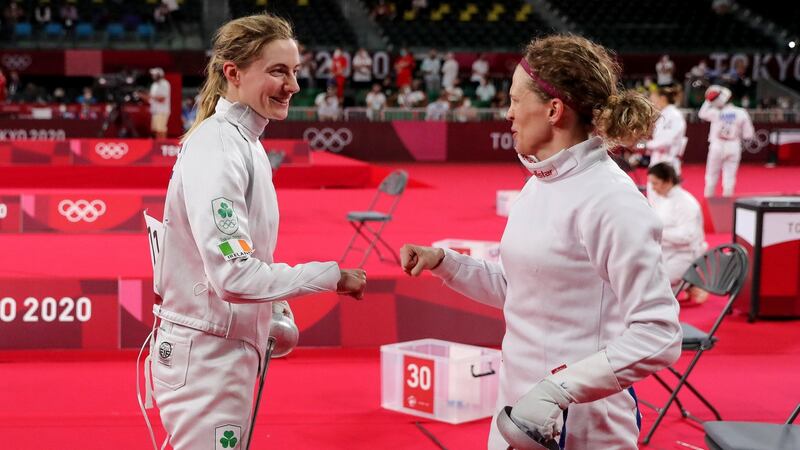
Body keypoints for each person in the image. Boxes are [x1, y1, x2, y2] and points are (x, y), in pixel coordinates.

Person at [400, 34, 681, 449]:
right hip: (516, 415)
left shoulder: (613, 201)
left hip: (584, 429)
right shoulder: (539, 184)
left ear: (553, 110)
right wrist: (446, 262)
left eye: (515, 99)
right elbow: (524, 291)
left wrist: (557, 390)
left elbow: (660, 334)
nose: (507, 112)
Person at [141, 14, 367, 450]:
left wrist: (274, 302)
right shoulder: (218, 147)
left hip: (221, 349)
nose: (294, 86)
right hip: (206, 356)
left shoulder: (246, 143)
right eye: (278, 71)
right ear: (234, 73)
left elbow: (240, 260)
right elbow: (234, 276)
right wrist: (330, 276)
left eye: (295, 71)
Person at [647, 163, 709, 304]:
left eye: (655, 183)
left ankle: (690, 281)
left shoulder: (686, 203)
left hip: (685, 256)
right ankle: (688, 284)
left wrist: (657, 232)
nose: (653, 188)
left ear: (668, 181)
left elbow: (687, 236)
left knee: (655, 290)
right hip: (663, 253)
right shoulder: (661, 199)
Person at [699, 85, 755, 197]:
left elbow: (701, 114)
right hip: (733, 145)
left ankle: (708, 202)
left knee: (711, 175)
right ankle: (727, 203)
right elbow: (749, 135)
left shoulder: (715, 112)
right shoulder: (741, 112)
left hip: (717, 145)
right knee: (729, 176)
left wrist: (708, 100)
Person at [644, 84, 687, 175]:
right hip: (658, 160)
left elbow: (666, 141)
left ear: (662, 98)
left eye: (653, 100)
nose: (651, 103)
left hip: (668, 162)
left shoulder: (674, 116)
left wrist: (645, 145)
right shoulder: (664, 115)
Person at [141, 67, 171, 139]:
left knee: (161, 130)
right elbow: (151, 99)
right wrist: (142, 96)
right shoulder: (154, 85)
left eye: (155, 74)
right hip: (155, 111)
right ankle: (158, 144)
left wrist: (150, 96)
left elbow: (162, 98)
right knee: (156, 130)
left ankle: (162, 145)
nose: (153, 76)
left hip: (162, 111)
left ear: (160, 75)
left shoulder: (165, 84)